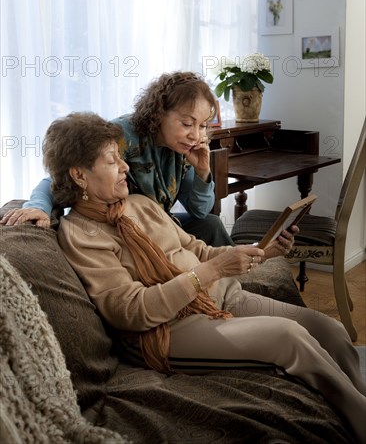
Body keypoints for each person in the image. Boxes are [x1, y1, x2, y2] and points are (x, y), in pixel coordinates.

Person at [20, 111, 366, 443]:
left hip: (222, 299)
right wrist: (210, 272)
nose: (125, 166)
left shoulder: (140, 205)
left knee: (331, 330)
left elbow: (198, 250)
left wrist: (264, 251)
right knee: (290, 336)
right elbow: (130, 311)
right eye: (112, 161)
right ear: (79, 175)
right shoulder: (81, 236)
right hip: (168, 330)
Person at [2, 72, 235, 246]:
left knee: (211, 225)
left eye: (202, 125)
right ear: (159, 112)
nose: (196, 134)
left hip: (158, 225)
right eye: (187, 123)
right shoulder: (119, 135)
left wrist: (203, 172)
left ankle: (243, 274)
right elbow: (58, 180)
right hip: (125, 229)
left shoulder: (183, 149)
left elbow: (201, 211)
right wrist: (38, 208)